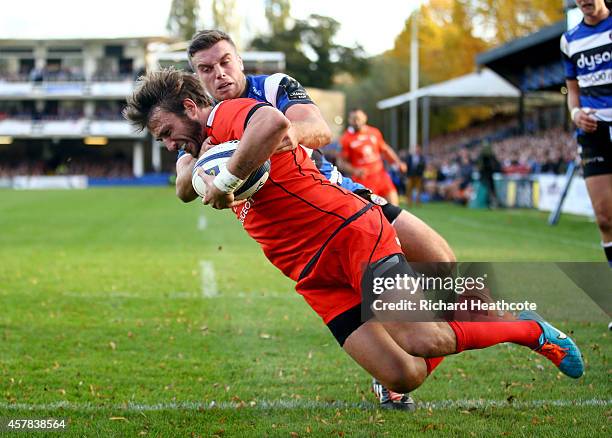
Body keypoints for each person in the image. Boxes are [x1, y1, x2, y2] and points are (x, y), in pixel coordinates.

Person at [124, 69, 584, 411]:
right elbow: (184, 186)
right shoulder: (195, 149)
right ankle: (458, 314)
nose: (167, 144)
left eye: (166, 132)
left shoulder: (228, 114)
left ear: (189, 108)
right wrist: (197, 165)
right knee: (405, 372)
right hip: (311, 276)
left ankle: (530, 330)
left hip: (350, 235)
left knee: (426, 337)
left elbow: (273, 127)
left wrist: (224, 176)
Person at [178, 30, 454, 409]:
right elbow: (183, 182)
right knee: (395, 345)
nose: (219, 74)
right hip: (299, 228)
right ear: (197, 76)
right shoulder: (201, 118)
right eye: (206, 69)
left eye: (225, 62)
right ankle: (393, 362)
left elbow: (320, 130)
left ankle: (431, 332)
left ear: (239, 60)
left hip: (340, 194)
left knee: (440, 260)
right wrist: (199, 163)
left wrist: (276, 135)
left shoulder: (273, 87)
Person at [561, 0, 612, 268]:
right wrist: (575, 114)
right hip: (593, 132)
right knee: (604, 218)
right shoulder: (569, 41)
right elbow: (573, 92)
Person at [338, 109, 406, 206]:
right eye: (353, 119)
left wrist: (398, 163)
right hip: (363, 181)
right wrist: (355, 170)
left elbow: (385, 150)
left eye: (358, 119)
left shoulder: (374, 132)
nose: (356, 122)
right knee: (372, 214)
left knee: (394, 208)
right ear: (349, 120)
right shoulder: (346, 139)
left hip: (381, 176)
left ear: (365, 118)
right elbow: (341, 162)